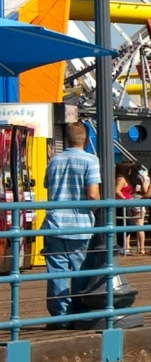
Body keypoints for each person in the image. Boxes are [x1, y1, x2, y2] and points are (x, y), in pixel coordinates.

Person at [41, 121, 100, 324]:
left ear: (66, 139)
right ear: (86, 139)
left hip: (54, 223)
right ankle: (79, 313)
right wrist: (94, 211)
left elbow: (47, 186)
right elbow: (93, 195)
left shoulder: (54, 161)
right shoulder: (90, 160)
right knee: (81, 270)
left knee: (57, 271)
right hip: (80, 224)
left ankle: (61, 316)